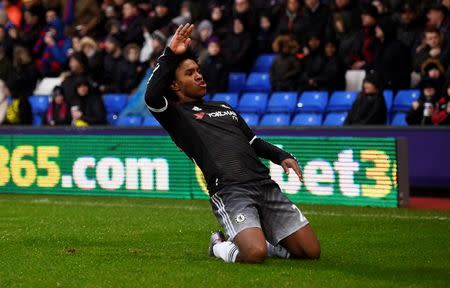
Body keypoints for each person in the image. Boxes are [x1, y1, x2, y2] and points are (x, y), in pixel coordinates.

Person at [145, 23, 320, 264]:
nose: (198, 75)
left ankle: (267, 242)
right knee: (253, 254)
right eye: (189, 73)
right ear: (175, 85)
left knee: (311, 252)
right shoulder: (176, 116)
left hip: (264, 185)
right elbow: (151, 95)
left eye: (198, 70)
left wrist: (281, 156)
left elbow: (253, 141)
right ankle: (219, 244)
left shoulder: (224, 107)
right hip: (230, 190)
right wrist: (170, 53)